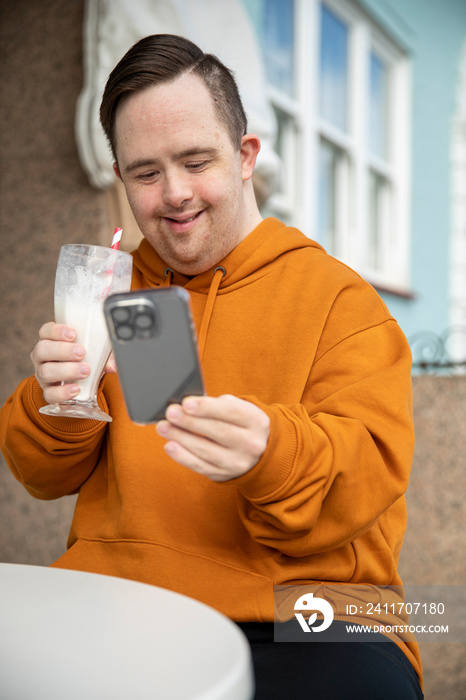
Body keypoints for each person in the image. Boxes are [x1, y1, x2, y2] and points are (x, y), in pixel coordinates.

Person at [0, 35, 423, 699]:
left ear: (247, 157)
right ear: (121, 178)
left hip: (310, 610)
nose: (173, 194)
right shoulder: (113, 291)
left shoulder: (339, 299)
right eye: (145, 173)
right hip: (121, 594)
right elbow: (41, 474)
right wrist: (58, 400)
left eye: (196, 161)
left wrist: (272, 452)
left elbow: (369, 475)